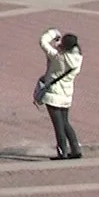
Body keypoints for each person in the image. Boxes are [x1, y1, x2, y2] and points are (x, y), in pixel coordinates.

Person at [35, 28, 83, 160]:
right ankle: (75, 148)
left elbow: (43, 41)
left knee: (58, 125)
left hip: (53, 95)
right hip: (66, 95)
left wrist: (53, 33)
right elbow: (65, 49)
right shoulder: (78, 59)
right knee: (65, 122)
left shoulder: (57, 57)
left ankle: (62, 152)